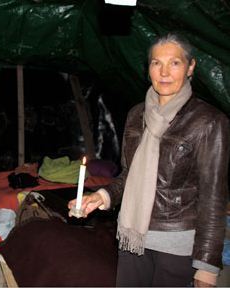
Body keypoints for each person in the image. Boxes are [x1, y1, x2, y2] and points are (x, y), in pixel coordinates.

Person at [68, 33, 229, 287]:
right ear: (149, 68)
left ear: (190, 67)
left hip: (176, 244)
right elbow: (127, 176)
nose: (164, 72)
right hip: (131, 236)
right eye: (156, 63)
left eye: (174, 63)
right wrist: (102, 196)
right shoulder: (136, 115)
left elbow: (214, 198)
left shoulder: (208, 121)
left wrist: (207, 266)